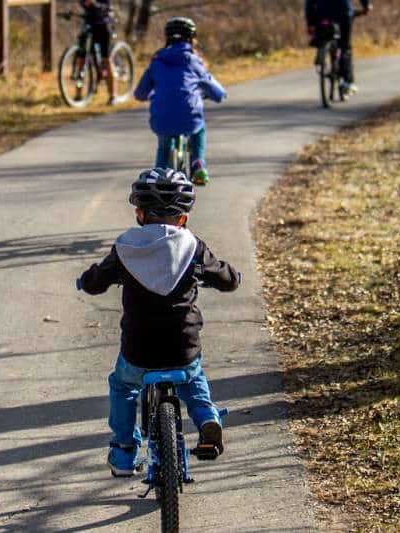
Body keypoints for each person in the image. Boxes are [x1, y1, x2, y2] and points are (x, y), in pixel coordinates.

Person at [77, 167, 241, 477]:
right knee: (193, 378)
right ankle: (207, 418)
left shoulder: (126, 247)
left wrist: (86, 281)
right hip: (183, 346)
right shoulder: (194, 248)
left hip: (139, 351)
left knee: (123, 386)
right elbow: (225, 278)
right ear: (183, 218)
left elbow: (97, 281)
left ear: (139, 214)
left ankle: (124, 453)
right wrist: (234, 278)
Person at [134, 17, 226, 186]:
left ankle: (158, 176)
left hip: (162, 118)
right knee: (199, 130)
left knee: (164, 145)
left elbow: (140, 93)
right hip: (189, 116)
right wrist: (216, 95)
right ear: (192, 38)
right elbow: (218, 93)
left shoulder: (157, 61)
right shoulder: (193, 61)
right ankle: (198, 165)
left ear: (167, 37)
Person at [304, 0, 371, 96]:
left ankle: (321, 53)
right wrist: (366, 6)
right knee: (345, 46)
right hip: (343, 12)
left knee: (323, 35)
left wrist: (310, 22)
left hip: (322, 14)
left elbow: (309, 3)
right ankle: (348, 82)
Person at [79, 0, 117, 104]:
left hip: (103, 24)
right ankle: (78, 94)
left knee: (106, 59)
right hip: (89, 24)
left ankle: (112, 95)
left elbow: (107, 5)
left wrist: (95, 4)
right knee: (81, 55)